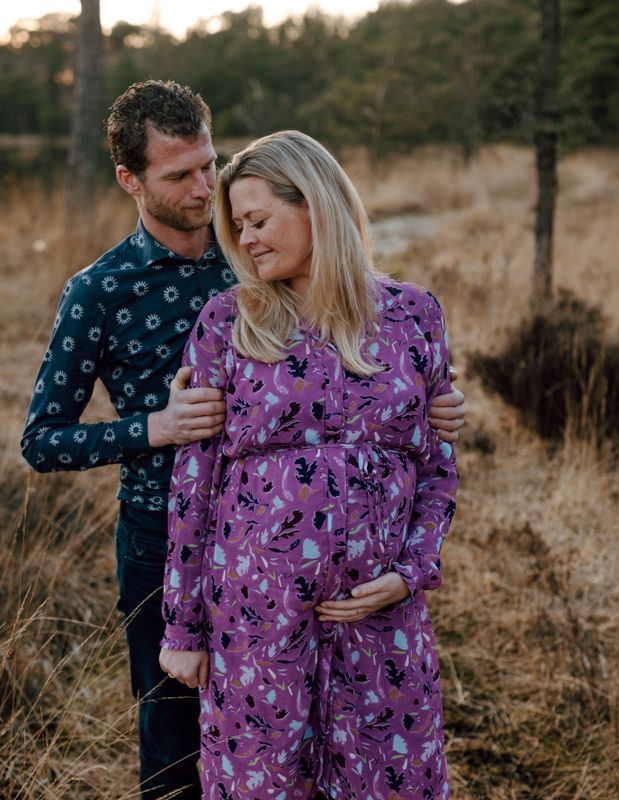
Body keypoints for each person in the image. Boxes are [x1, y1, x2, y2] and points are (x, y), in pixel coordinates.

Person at [21, 82, 465, 800]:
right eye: (180, 176)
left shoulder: (263, 260)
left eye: (209, 165)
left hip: (350, 568)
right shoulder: (103, 291)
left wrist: (430, 401)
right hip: (171, 535)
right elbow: (42, 441)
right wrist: (156, 428)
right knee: (177, 747)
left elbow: (378, 365)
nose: (204, 188)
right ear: (131, 180)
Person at [159, 130, 457, 799]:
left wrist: (409, 574)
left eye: (258, 221)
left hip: (380, 621)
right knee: (261, 785)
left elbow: (437, 467)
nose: (247, 240)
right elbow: (193, 486)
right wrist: (182, 626)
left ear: (316, 205)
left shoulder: (413, 315)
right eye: (238, 227)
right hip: (257, 622)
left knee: (391, 782)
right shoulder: (227, 323)